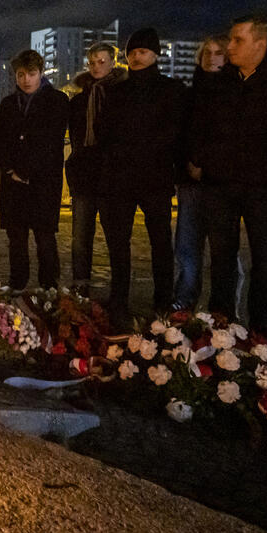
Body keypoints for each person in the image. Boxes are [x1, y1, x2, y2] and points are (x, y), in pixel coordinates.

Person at [189, 14, 267, 336]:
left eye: (238, 40)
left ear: (260, 44)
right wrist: (202, 158)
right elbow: (200, 123)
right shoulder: (220, 82)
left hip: (263, 185)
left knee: (266, 261)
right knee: (221, 259)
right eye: (230, 39)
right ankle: (222, 323)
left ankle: (261, 329)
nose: (230, 47)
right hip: (220, 183)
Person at [96, 28, 186, 327]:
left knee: (160, 240)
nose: (136, 57)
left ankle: (162, 300)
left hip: (155, 176)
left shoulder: (171, 90)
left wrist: (149, 150)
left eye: (143, 52)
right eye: (132, 52)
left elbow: (175, 132)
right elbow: (103, 130)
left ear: (155, 54)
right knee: (118, 242)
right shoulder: (117, 91)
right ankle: (118, 297)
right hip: (120, 178)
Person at [173, 34, 244, 313]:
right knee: (187, 246)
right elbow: (181, 135)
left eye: (218, 53)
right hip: (190, 181)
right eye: (207, 53)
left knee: (223, 250)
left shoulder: (234, 92)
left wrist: (205, 162)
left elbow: (228, 138)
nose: (211, 58)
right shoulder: (190, 94)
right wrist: (188, 164)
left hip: (221, 182)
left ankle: (223, 308)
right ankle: (185, 299)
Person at [0, 49, 69, 290]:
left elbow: (50, 141)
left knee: (44, 237)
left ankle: (49, 288)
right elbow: (0, 142)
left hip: (43, 183)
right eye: (21, 74)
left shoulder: (57, 100)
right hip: (13, 183)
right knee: (16, 239)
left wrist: (26, 170)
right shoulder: (7, 104)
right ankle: (18, 285)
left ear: (41, 73)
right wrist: (9, 169)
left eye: (31, 74)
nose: (26, 80)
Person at [66, 42, 126, 297]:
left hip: (112, 177)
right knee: (80, 239)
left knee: (116, 239)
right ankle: (80, 291)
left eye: (102, 61)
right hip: (84, 177)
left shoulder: (122, 95)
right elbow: (76, 139)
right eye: (92, 62)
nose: (96, 67)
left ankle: (119, 295)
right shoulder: (79, 100)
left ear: (113, 62)